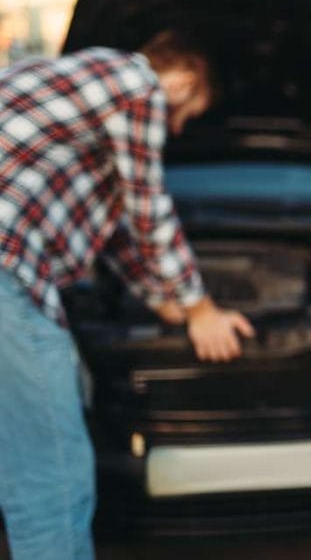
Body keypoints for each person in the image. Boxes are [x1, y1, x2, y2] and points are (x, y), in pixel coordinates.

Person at [0, 31, 255, 559]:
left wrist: (162, 299)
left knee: (23, 457)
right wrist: (199, 308)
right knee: (52, 473)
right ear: (182, 82)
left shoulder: (81, 85)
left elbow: (115, 231)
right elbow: (148, 207)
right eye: (188, 115)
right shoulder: (133, 85)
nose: (177, 128)